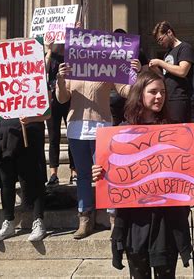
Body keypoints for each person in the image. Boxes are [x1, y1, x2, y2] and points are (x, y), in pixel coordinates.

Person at [92, 70, 194, 278]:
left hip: (167, 223)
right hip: (135, 223)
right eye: (153, 92)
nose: (159, 96)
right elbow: (114, 176)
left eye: (162, 92)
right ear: (140, 93)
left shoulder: (175, 131)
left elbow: (188, 175)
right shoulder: (122, 133)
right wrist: (100, 173)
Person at [55, 58, 141, 239]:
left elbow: (126, 91)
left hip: (101, 127)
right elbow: (62, 98)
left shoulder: (107, 66)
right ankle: (84, 218)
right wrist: (61, 79)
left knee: (106, 174)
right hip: (76, 129)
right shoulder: (72, 68)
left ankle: (113, 217)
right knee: (82, 175)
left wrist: (134, 74)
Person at [0, 114, 49, 242]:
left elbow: (47, 113)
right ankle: (8, 221)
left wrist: (30, 120)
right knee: (6, 182)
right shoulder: (2, 93)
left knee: (34, 178)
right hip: (3, 136)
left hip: (29, 133)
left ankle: (38, 220)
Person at [43, 35, 77, 186]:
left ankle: (74, 171)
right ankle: (53, 173)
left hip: (70, 98)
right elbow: (41, 71)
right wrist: (49, 50)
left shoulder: (73, 55)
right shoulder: (52, 56)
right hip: (52, 100)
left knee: (72, 136)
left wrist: (78, 33)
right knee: (53, 137)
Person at [149, 21, 194, 123]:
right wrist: (156, 70)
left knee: (179, 130)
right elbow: (166, 77)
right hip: (167, 98)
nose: (160, 43)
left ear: (169, 32)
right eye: (158, 42)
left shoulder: (184, 48)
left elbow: (183, 71)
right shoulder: (167, 54)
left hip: (179, 98)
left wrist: (160, 62)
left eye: (161, 39)